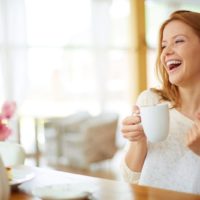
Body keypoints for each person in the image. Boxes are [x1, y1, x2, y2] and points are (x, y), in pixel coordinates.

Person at [121, 10, 200, 194]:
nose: (166, 52)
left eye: (178, 41)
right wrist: (138, 141)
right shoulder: (151, 101)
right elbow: (130, 179)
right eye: (163, 45)